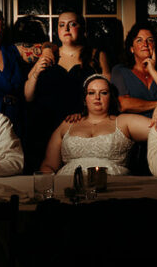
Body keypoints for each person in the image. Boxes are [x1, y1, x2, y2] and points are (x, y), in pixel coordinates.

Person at [24, 10, 110, 168]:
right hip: (44, 124)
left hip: (79, 125)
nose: (66, 29)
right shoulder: (48, 55)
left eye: (72, 24)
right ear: (57, 30)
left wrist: (86, 113)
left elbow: (108, 93)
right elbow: (28, 96)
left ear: (82, 29)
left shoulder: (96, 55)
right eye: (62, 25)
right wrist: (37, 69)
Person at [39, 74, 152, 176]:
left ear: (110, 97)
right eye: (91, 93)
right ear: (85, 99)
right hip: (70, 186)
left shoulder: (124, 122)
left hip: (114, 187)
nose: (97, 97)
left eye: (103, 93)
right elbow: (49, 165)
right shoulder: (68, 124)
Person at [110, 21, 157, 132]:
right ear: (132, 48)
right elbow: (123, 104)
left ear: (155, 45)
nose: (145, 44)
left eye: (150, 40)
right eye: (139, 40)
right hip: (132, 133)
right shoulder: (120, 71)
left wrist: (152, 70)